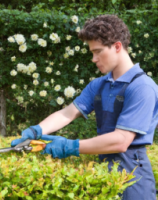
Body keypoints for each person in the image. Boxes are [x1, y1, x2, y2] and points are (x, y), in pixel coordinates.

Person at [11, 15, 157, 199]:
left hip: (134, 179)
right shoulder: (99, 85)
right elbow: (67, 114)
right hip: (104, 174)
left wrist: (69, 146)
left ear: (118, 46)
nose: (94, 59)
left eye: (98, 51)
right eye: (92, 53)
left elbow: (121, 141)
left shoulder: (142, 87)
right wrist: (36, 131)